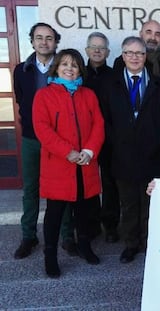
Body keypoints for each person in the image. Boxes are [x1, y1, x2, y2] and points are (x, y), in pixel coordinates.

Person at [32, 49, 105, 278]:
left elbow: (98, 125)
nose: (69, 69)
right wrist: (68, 152)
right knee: (54, 214)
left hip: (85, 164)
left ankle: (84, 246)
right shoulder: (44, 95)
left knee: (84, 211)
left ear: (79, 69)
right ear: (57, 68)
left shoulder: (88, 95)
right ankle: (50, 256)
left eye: (74, 65)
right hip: (59, 166)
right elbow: (42, 129)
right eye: (65, 64)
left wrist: (88, 151)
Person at [100, 36, 160, 264]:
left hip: (153, 154)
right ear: (122, 56)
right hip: (122, 155)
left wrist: (157, 143)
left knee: (150, 203)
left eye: (139, 53)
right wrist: (119, 143)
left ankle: (150, 242)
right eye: (129, 53)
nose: (134, 57)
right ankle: (131, 244)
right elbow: (106, 121)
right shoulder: (111, 85)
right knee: (129, 204)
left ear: (145, 57)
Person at [12, 22, 76, 259]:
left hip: (61, 142)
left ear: (55, 42)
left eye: (49, 38)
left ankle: (67, 236)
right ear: (32, 41)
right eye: (39, 38)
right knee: (31, 188)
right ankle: (28, 235)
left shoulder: (64, 67)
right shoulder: (21, 70)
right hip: (32, 139)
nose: (44, 42)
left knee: (63, 189)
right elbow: (22, 101)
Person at [83, 32, 120, 243]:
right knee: (87, 181)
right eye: (93, 47)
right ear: (87, 50)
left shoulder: (114, 75)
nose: (97, 51)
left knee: (109, 182)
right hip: (82, 137)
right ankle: (90, 223)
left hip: (108, 136)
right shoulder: (79, 73)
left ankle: (110, 224)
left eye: (101, 47)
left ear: (107, 52)